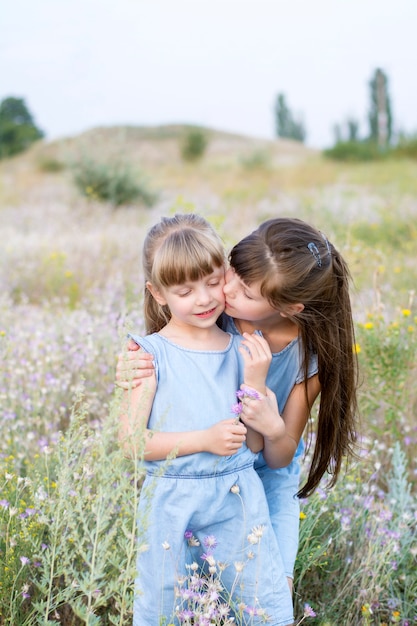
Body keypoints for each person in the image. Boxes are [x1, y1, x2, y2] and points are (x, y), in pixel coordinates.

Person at [117, 216, 359, 595]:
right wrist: (133, 368)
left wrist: (272, 424)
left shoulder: (309, 356)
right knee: (195, 590)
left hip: (266, 473)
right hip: (209, 469)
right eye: (231, 273)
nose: (225, 290)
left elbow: (279, 458)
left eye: (245, 291)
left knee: (271, 591)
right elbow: (168, 356)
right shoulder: (215, 318)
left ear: (290, 307)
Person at [119, 213, 294, 626]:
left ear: (226, 275)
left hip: (237, 498)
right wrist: (203, 439)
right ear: (158, 294)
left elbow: (252, 447)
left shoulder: (243, 348)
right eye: (185, 290)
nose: (203, 299)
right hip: (170, 504)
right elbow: (130, 443)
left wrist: (254, 380)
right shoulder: (147, 354)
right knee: (164, 613)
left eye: (213, 282)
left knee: (265, 608)